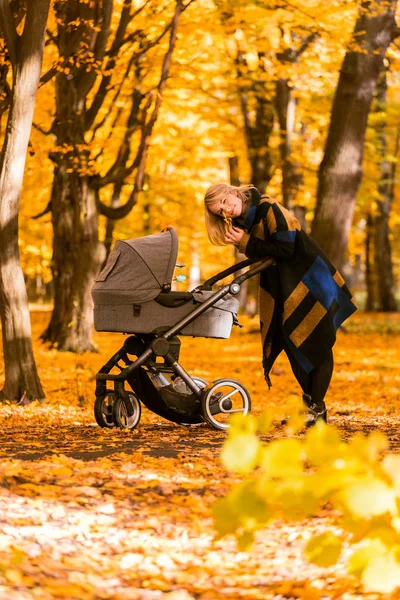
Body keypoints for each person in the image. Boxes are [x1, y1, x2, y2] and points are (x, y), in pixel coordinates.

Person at [204, 183, 357, 426]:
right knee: (291, 341)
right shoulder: (245, 222)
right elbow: (263, 254)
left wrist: (247, 243)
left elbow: (285, 249)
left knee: (318, 341)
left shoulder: (269, 209)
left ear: (232, 192)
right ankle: (313, 409)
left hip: (310, 281)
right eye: (218, 211)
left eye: (224, 202)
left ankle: (315, 409)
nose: (226, 210)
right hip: (285, 287)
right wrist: (244, 243)